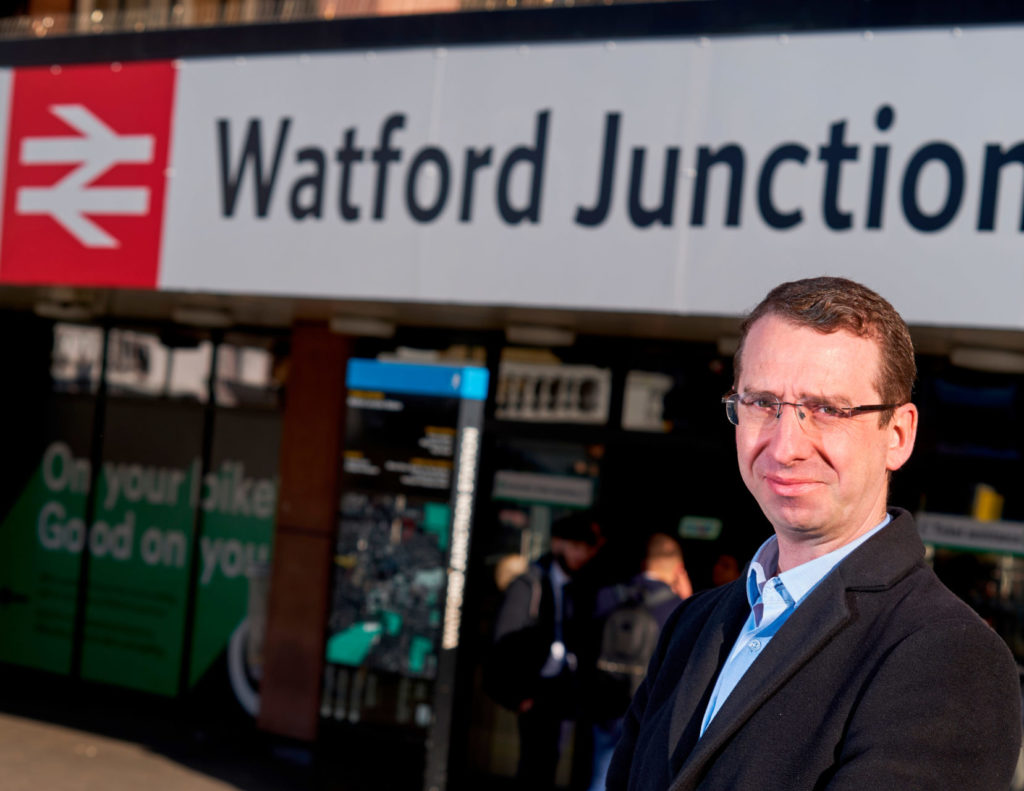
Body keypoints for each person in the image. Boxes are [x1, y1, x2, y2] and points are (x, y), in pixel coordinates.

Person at [607, 276, 1023, 790]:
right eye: (762, 403)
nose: (786, 447)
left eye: (827, 409)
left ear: (897, 435)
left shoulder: (948, 655)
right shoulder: (693, 624)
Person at [485, 510, 605, 789]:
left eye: (586, 548)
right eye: (575, 546)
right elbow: (504, 644)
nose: (581, 555)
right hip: (535, 690)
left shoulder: (582, 586)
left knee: (551, 763)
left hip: (564, 690)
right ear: (556, 543)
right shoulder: (530, 583)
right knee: (535, 766)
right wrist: (517, 696)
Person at [587, 533, 690, 791]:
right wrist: (688, 599)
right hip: (649, 710)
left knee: (601, 777)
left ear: (644, 563)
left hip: (607, 700)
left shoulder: (608, 596)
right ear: (678, 568)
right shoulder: (680, 608)